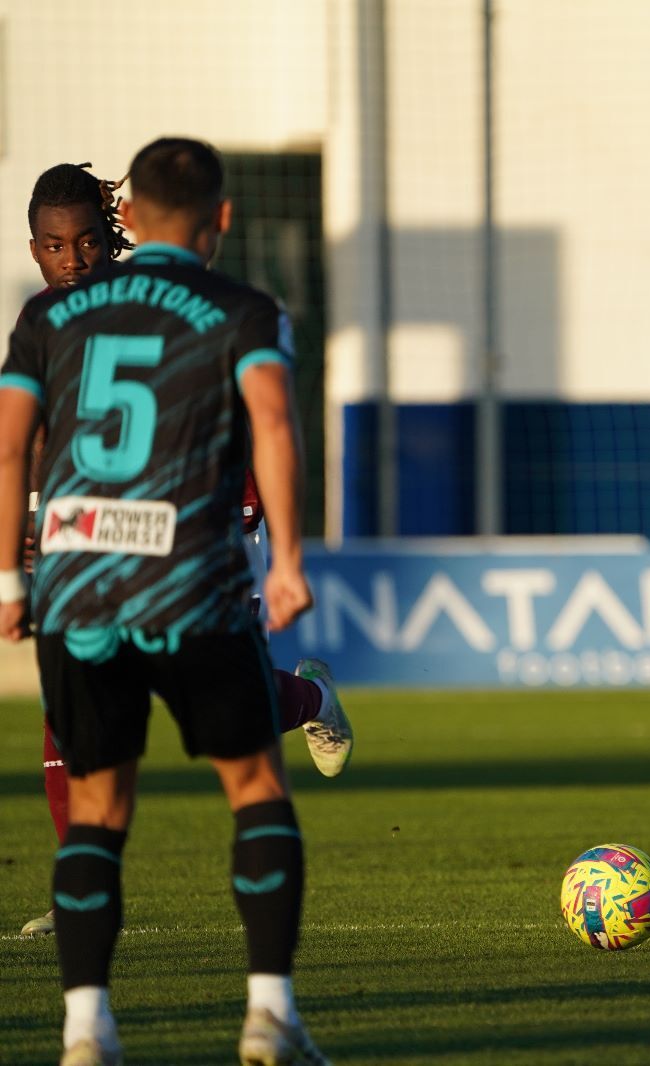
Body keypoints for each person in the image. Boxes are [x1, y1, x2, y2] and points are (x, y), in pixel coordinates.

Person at [0, 137, 329, 1064]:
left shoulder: (46, 322)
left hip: (79, 590)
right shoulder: (243, 307)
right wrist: (290, 559)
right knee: (253, 788)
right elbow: (272, 421)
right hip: (192, 581)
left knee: (97, 809)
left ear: (127, 222)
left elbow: (8, 446)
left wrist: (7, 580)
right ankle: (269, 1016)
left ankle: (85, 1032)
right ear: (221, 219)